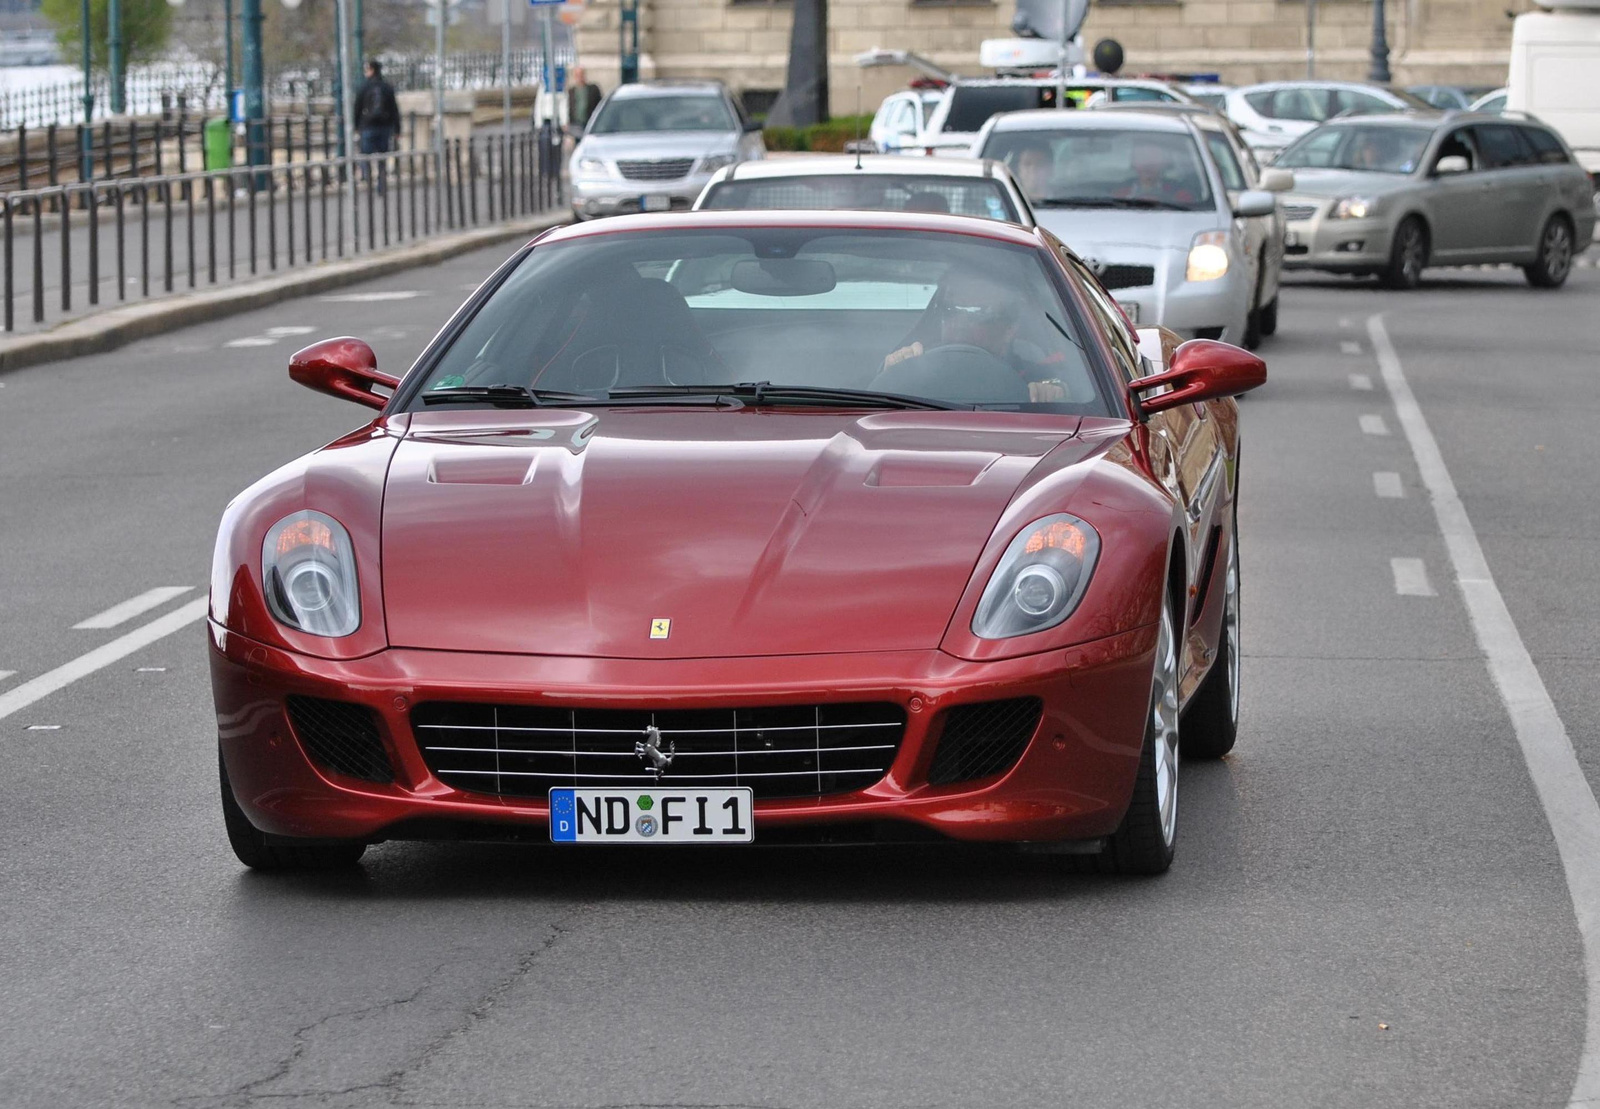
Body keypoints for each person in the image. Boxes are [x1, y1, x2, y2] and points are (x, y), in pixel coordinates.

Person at [876, 269, 1069, 402]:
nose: (960, 322)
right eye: (951, 309)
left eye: (978, 313)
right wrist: (892, 375)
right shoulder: (913, 366)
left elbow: (1077, 393)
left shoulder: (1032, 376)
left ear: (1010, 328)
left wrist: (1057, 392)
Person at [353, 60, 400, 184]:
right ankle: (381, 182)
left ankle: (368, 180)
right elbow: (394, 109)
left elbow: (357, 107)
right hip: (384, 126)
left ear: (372, 70)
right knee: (382, 157)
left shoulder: (364, 87)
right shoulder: (387, 87)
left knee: (365, 156)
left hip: (368, 126)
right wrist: (397, 129)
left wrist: (356, 125)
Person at [1116, 138, 1199, 206]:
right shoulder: (1119, 194)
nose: (1147, 165)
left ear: (1164, 164)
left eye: (1154, 158)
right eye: (1142, 158)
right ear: (1133, 163)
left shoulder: (1181, 195)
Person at [566, 67, 603, 133]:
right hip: (575, 124)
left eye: (581, 75)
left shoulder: (593, 89)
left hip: (590, 122)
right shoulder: (571, 91)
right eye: (577, 75)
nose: (579, 77)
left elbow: (600, 104)